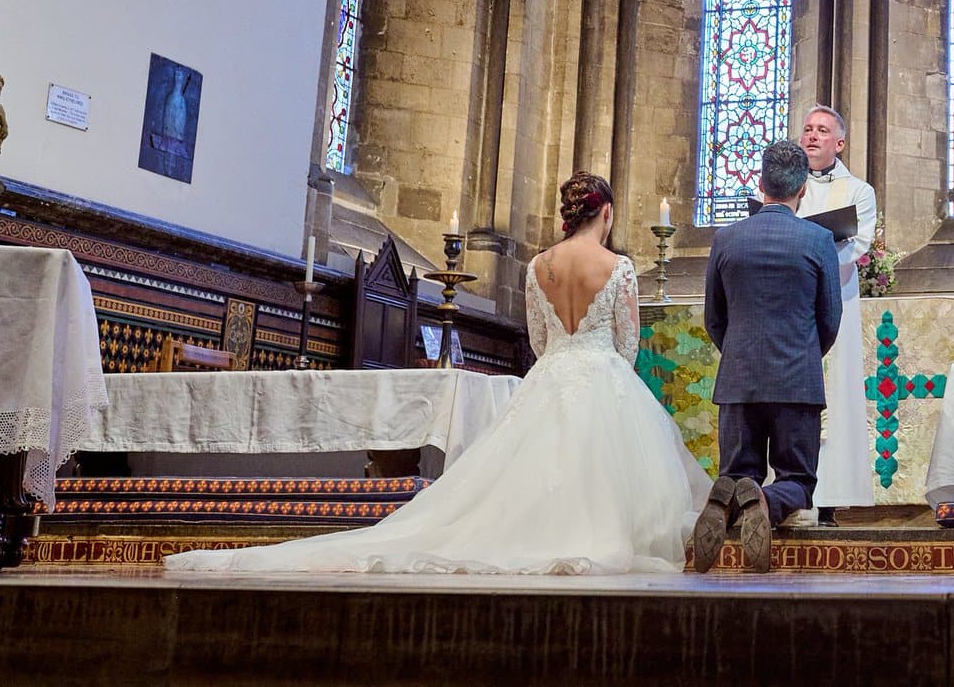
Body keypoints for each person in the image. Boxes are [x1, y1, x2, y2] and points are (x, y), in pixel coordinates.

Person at [165, 173, 709, 576]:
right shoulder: (620, 269)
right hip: (603, 377)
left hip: (551, 378)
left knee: (517, 483)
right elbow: (628, 343)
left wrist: (567, 357)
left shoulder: (537, 266)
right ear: (606, 214)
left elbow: (540, 342)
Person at [693, 141, 841, 574]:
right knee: (798, 479)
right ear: (803, 190)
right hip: (797, 381)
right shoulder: (818, 240)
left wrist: (738, 353)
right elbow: (829, 317)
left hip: (738, 379)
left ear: (760, 185)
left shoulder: (727, 238)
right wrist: (805, 355)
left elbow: (713, 317)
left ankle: (729, 496)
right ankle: (766, 501)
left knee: (740, 470)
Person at [797, 104, 878, 524]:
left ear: (840, 142)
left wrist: (809, 254)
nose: (812, 136)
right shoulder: (785, 188)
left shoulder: (858, 191)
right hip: (791, 303)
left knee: (837, 393)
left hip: (835, 300)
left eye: (822, 130)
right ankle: (790, 491)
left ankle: (830, 497)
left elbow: (857, 245)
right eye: (808, 129)